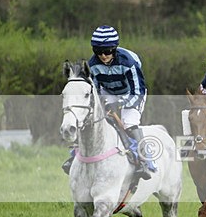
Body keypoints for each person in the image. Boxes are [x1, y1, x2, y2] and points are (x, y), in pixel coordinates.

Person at [62, 25, 153, 179]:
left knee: (129, 122)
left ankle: (144, 161)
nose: (103, 56)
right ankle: (74, 156)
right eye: (98, 52)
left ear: (115, 49)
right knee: (89, 120)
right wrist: (102, 103)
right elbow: (95, 90)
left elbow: (137, 91)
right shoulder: (92, 64)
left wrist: (119, 104)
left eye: (108, 51)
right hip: (109, 93)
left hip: (132, 93)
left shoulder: (128, 62)